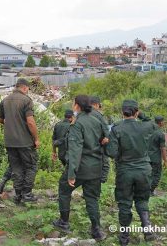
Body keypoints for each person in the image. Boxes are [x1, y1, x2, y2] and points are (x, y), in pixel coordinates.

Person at [53, 95, 106, 241]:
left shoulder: (77, 123)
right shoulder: (97, 120)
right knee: (92, 198)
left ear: (76, 105)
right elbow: (106, 139)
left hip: (81, 167)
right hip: (95, 166)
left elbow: (75, 151)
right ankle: (97, 230)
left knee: (64, 189)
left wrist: (71, 173)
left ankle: (64, 222)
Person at [105, 100, 156, 245]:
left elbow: (111, 153)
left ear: (122, 112)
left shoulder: (116, 129)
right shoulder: (146, 127)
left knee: (125, 203)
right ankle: (147, 227)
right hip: (144, 170)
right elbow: (149, 121)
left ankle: (124, 237)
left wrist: (106, 144)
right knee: (142, 199)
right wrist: (142, 115)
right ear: (136, 112)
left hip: (125, 171)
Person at [0, 78, 39, 204]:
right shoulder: (26, 100)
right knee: (31, 166)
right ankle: (27, 193)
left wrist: (11, 125)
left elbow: (0, 120)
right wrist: (36, 139)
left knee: (16, 168)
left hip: (10, 142)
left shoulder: (4, 100)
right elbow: (31, 122)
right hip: (25, 141)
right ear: (25, 88)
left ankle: (18, 195)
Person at [90, 96, 110, 183]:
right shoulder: (99, 115)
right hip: (98, 145)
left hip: (84, 145)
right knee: (105, 164)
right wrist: (107, 138)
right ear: (96, 104)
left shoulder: (80, 114)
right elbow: (106, 131)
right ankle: (101, 183)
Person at [148, 116, 167, 196]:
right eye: (163, 122)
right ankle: (150, 191)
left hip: (146, 157)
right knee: (156, 175)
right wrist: (165, 160)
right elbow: (163, 148)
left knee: (148, 174)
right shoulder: (160, 134)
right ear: (161, 122)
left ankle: (145, 190)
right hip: (155, 158)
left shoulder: (148, 131)